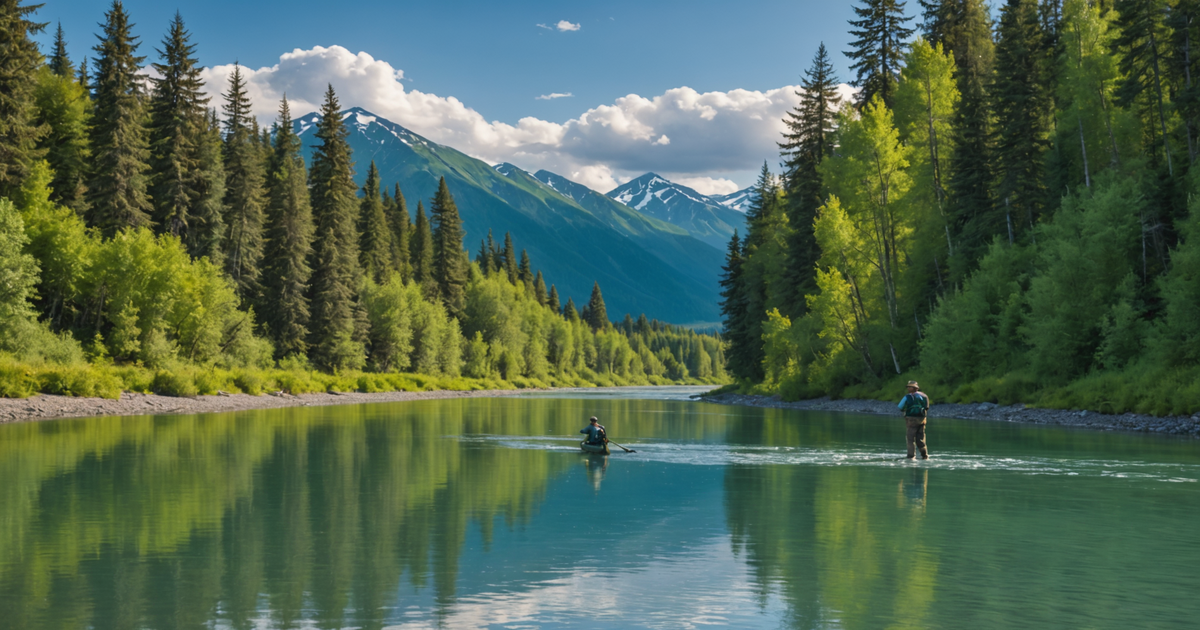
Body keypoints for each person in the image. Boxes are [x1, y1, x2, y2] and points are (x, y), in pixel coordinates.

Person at [898, 381, 930, 459]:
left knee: (910, 439)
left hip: (911, 419)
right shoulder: (924, 396)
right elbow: (927, 407)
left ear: (914, 388)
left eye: (910, 387)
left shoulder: (907, 397)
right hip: (922, 419)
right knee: (921, 438)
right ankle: (924, 456)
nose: (908, 388)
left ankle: (911, 456)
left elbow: (900, 407)